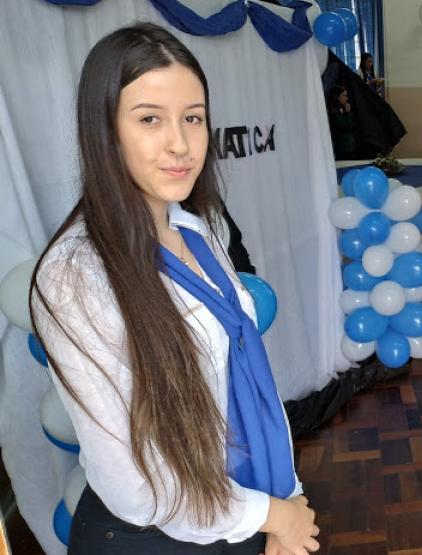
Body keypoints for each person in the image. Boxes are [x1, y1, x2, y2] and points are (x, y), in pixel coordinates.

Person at [28, 23, 319, 555]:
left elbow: (244, 377)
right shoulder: (76, 275)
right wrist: (275, 515)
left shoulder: (195, 227)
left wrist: (286, 501)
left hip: (237, 511)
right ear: (105, 130)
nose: (181, 144)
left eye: (193, 118)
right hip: (155, 537)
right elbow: (136, 487)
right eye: (149, 120)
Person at [327, 85, 356, 159]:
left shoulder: (340, 110)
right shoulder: (334, 113)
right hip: (343, 149)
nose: (346, 98)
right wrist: (347, 113)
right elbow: (347, 126)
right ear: (337, 97)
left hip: (348, 148)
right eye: (344, 96)